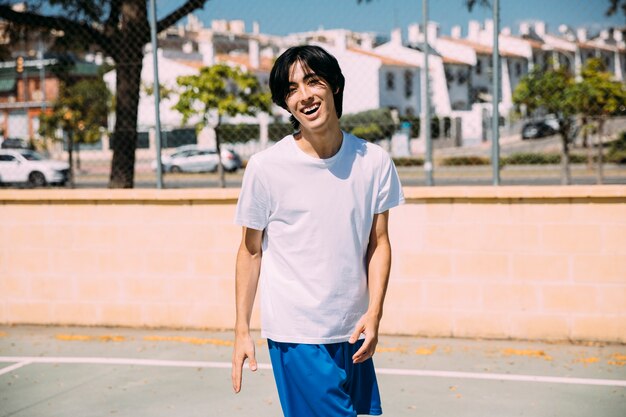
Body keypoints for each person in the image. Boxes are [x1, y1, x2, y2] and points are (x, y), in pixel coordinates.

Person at [231, 45, 404, 417]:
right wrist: (241, 330)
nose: (304, 96)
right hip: (297, 336)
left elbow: (379, 243)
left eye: (313, 82)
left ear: (335, 87)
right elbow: (250, 250)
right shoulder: (266, 168)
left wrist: (374, 313)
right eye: (292, 89)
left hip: (352, 332)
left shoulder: (374, 162)